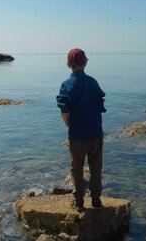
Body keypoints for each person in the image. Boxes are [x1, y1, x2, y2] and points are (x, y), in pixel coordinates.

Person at [56, 48, 106, 211]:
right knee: (96, 168)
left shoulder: (67, 84)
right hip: (96, 133)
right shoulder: (92, 82)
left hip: (77, 135)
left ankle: (79, 202)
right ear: (84, 63)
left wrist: (68, 124)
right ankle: (96, 200)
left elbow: (64, 110)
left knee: (76, 168)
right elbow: (100, 105)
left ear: (69, 64)